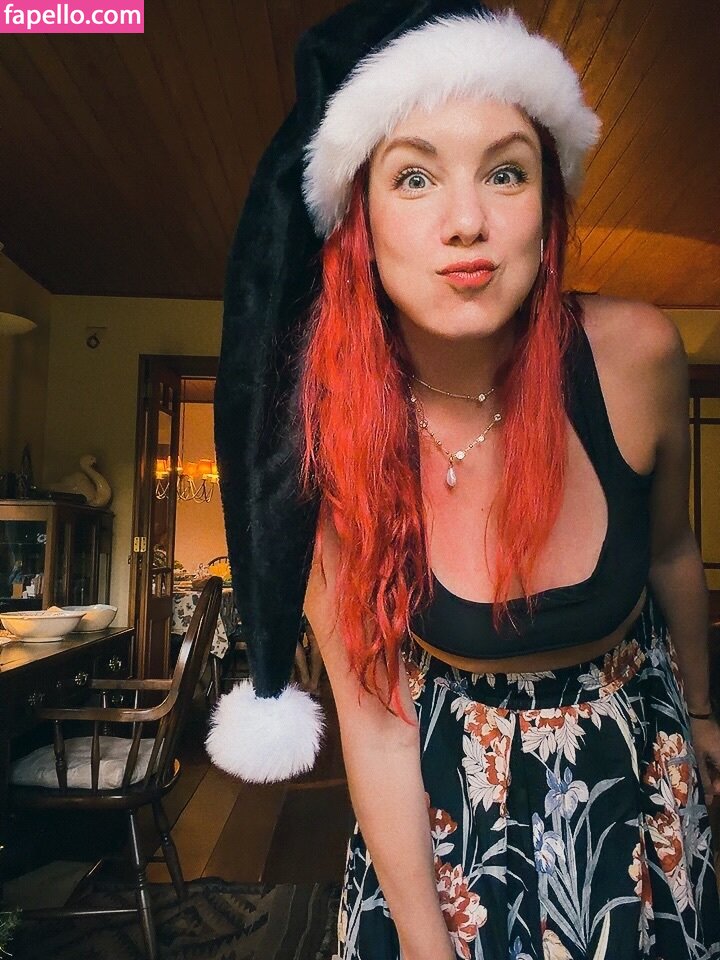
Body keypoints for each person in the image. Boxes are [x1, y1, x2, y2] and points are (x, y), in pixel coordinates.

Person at [206, 2, 720, 958]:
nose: (468, 222)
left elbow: (673, 548)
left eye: (506, 171)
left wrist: (700, 710)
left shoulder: (637, 355)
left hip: (637, 789)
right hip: (439, 822)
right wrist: (425, 939)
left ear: (547, 208)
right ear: (357, 220)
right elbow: (378, 726)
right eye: (414, 176)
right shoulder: (320, 440)